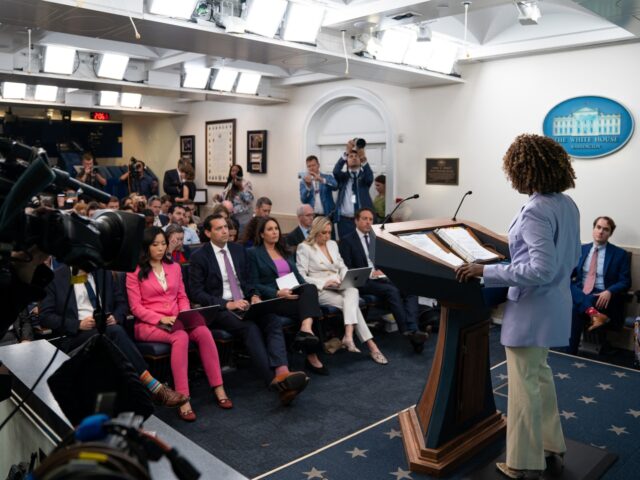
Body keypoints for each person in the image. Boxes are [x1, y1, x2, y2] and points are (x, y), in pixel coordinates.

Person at [455, 133, 580, 479]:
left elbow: (541, 268)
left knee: (524, 387)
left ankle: (522, 461)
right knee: (540, 377)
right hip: (554, 304)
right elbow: (568, 258)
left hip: (531, 309)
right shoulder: (566, 204)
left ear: (523, 170)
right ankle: (551, 442)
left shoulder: (537, 209)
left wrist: (485, 271)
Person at [189, 215, 310, 405]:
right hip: (220, 308)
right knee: (250, 328)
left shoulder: (238, 250)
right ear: (207, 233)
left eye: (226, 227)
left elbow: (248, 281)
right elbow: (196, 292)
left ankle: (282, 371)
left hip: (245, 301)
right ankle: (274, 382)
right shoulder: (199, 257)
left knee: (272, 319)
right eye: (219, 228)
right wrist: (226, 304)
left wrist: (253, 295)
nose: (225, 231)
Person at [40, 265, 188, 409]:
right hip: (76, 335)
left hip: (107, 327)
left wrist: (115, 317)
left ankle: (136, 396)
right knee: (115, 333)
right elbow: (46, 317)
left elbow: (121, 304)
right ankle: (153, 386)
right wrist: (78, 324)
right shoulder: (56, 277)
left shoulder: (102, 273)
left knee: (113, 332)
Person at [126, 227, 231, 422]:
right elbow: (136, 308)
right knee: (180, 336)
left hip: (177, 319)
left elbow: (182, 296)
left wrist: (185, 314)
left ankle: (218, 387)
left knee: (202, 330)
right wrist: (161, 319)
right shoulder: (135, 271)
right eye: (155, 244)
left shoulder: (174, 267)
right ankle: (183, 398)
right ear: (146, 247)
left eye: (163, 243)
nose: (160, 248)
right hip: (150, 324)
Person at [297, 216, 388, 364]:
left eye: (329, 232)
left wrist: (345, 278)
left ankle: (348, 335)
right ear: (315, 232)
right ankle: (372, 346)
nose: (327, 236)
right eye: (323, 233)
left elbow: (342, 266)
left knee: (353, 291)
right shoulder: (304, 248)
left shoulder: (332, 244)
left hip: (338, 284)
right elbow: (302, 276)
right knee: (352, 305)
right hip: (321, 290)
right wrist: (325, 282)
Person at [339, 208, 427, 353]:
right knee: (392, 291)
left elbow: (385, 260)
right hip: (364, 281)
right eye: (364, 219)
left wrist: (384, 271)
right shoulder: (347, 240)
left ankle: (413, 329)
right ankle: (408, 332)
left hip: (381, 277)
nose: (368, 222)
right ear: (356, 220)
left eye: (371, 219)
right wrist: (370, 273)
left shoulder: (376, 238)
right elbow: (347, 268)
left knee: (410, 288)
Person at [248, 217, 328, 376]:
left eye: (276, 228)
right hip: (275, 297)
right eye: (270, 229)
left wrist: (304, 289)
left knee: (310, 289)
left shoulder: (285, 250)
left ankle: (305, 329)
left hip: (293, 291)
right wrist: (277, 292)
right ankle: (312, 356)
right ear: (262, 234)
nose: (274, 232)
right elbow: (254, 283)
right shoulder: (254, 253)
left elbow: (298, 276)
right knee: (310, 309)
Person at [568, 216, 630, 354]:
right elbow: (569, 272)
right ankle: (595, 315)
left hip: (600, 293)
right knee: (566, 284)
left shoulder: (620, 254)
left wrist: (609, 291)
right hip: (580, 290)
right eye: (598, 227)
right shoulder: (581, 249)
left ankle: (570, 352)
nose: (601, 231)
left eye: (606, 229)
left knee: (575, 307)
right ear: (593, 229)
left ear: (610, 233)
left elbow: (625, 281)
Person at [333, 139, 373, 239]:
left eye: (356, 156)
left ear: (360, 160)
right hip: (344, 221)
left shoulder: (364, 177)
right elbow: (336, 171)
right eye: (351, 156)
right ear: (347, 161)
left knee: (363, 248)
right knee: (345, 249)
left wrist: (363, 157)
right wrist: (346, 152)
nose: (354, 158)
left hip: (362, 221)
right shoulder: (343, 177)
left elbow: (370, 178)